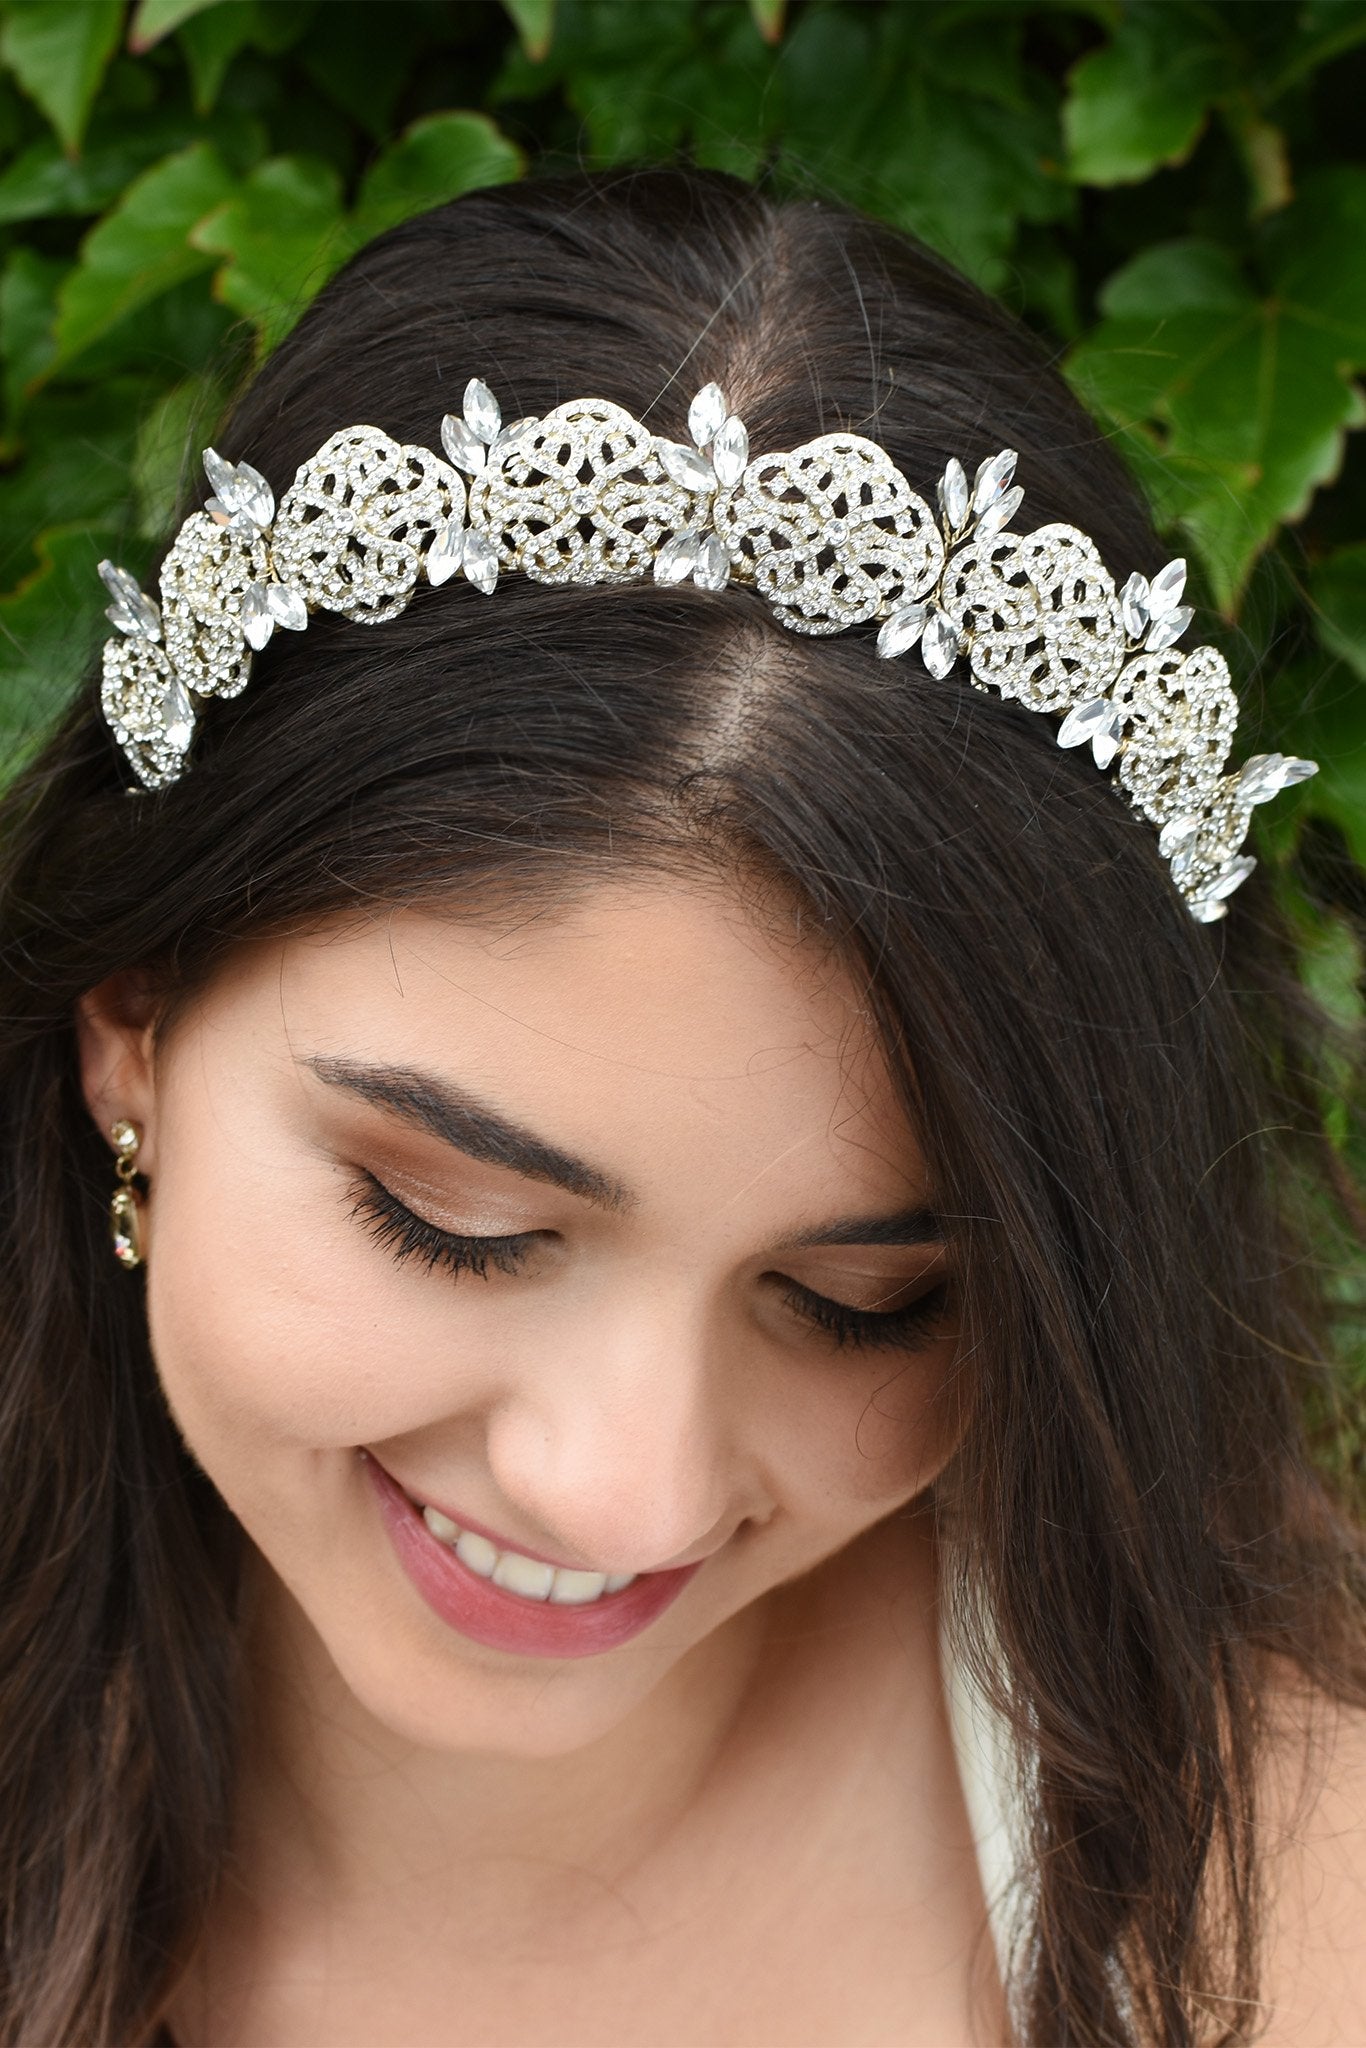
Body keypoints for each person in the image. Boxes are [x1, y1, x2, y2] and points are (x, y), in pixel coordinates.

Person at [0, 162, 1362, 2048]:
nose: (622, 1490)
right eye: (453, 1226)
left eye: (862, 1303)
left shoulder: (1299, 1907)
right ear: (131, 1022)